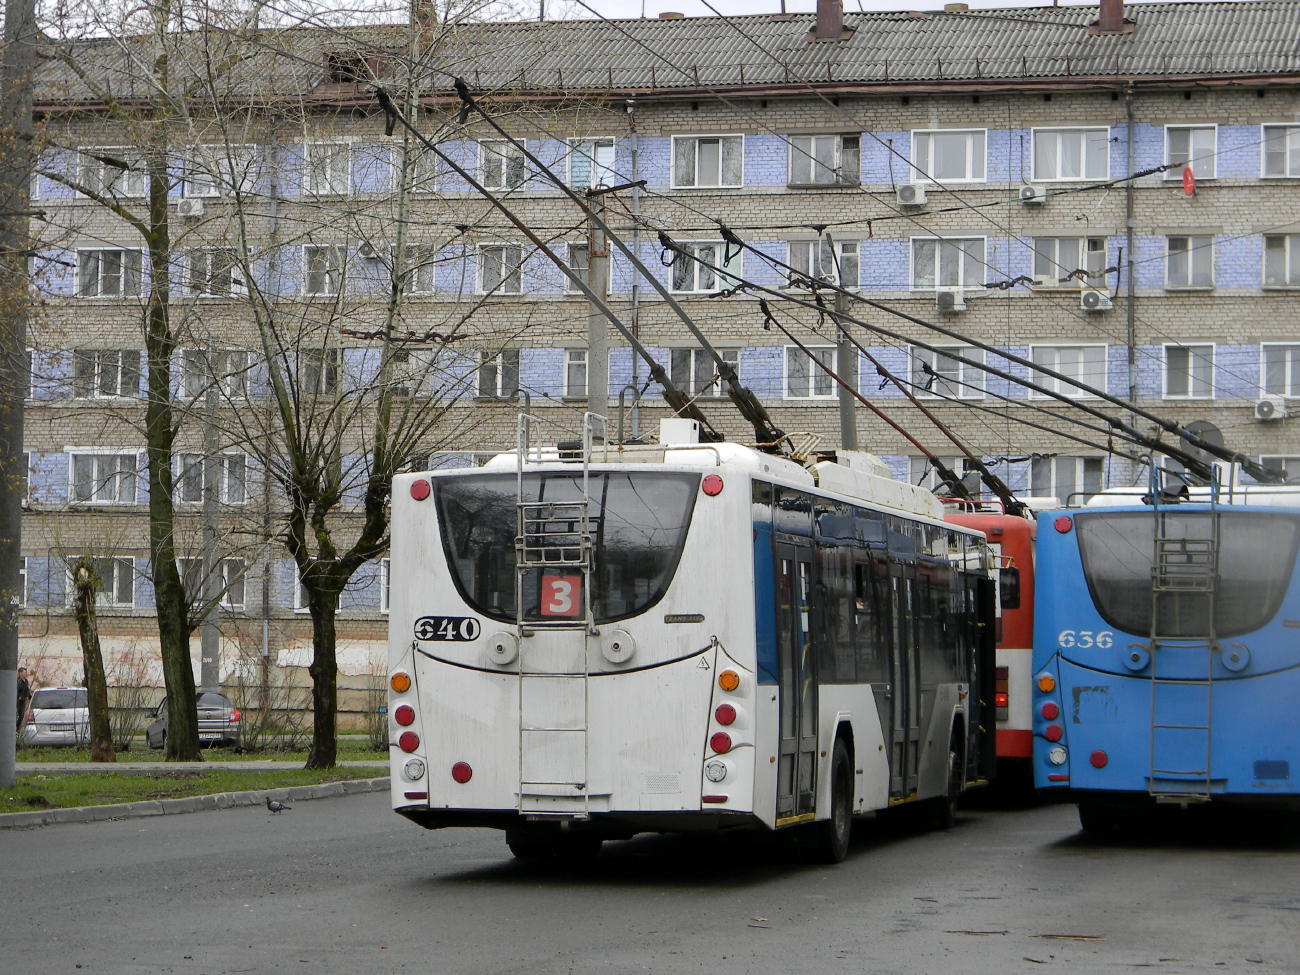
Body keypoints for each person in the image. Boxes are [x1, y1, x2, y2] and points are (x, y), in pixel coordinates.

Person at [15, 666, 31, 734]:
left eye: (25, 672)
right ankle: (16, 729)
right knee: (19, 715)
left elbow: (27, 690)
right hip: (18, 701)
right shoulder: (18, 681)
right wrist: (19, 697)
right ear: (20, 673)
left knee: (22, 715)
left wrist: (30, 697)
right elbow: (16, 691)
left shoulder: (26, 681)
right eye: (24, 672)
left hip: (23, 700)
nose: (25, 674)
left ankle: (18, 729)